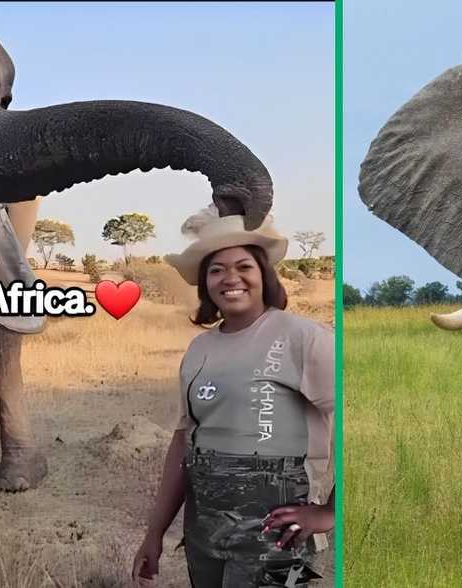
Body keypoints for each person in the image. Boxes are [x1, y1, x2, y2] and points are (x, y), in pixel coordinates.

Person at [131, 206, 334, 587]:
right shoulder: (198, 349)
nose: (231, 279)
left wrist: (329, 512)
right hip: (205, 533)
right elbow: (184, 441)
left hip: (279, 539)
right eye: (216, 270)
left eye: (244, 266)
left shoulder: (305, 338)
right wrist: (154, 534)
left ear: (263, 274)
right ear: (205, 282)